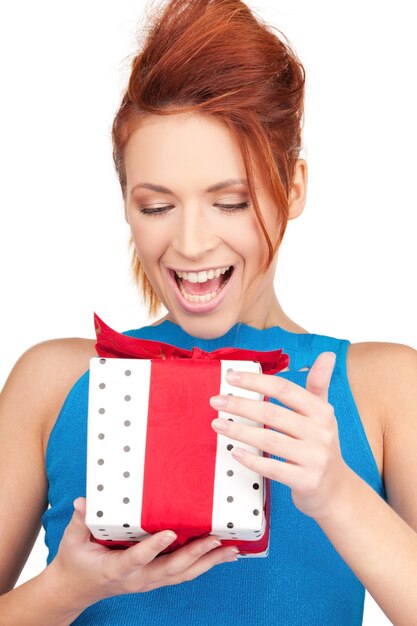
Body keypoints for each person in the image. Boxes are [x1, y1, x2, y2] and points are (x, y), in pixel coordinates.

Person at [0, 0, 416, 624]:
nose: (191, 244)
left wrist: (336, 494)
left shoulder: (384, 388)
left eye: (230, 201)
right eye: (156, 206)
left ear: (294, 188)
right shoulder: (53, 382)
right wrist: (68, 588)